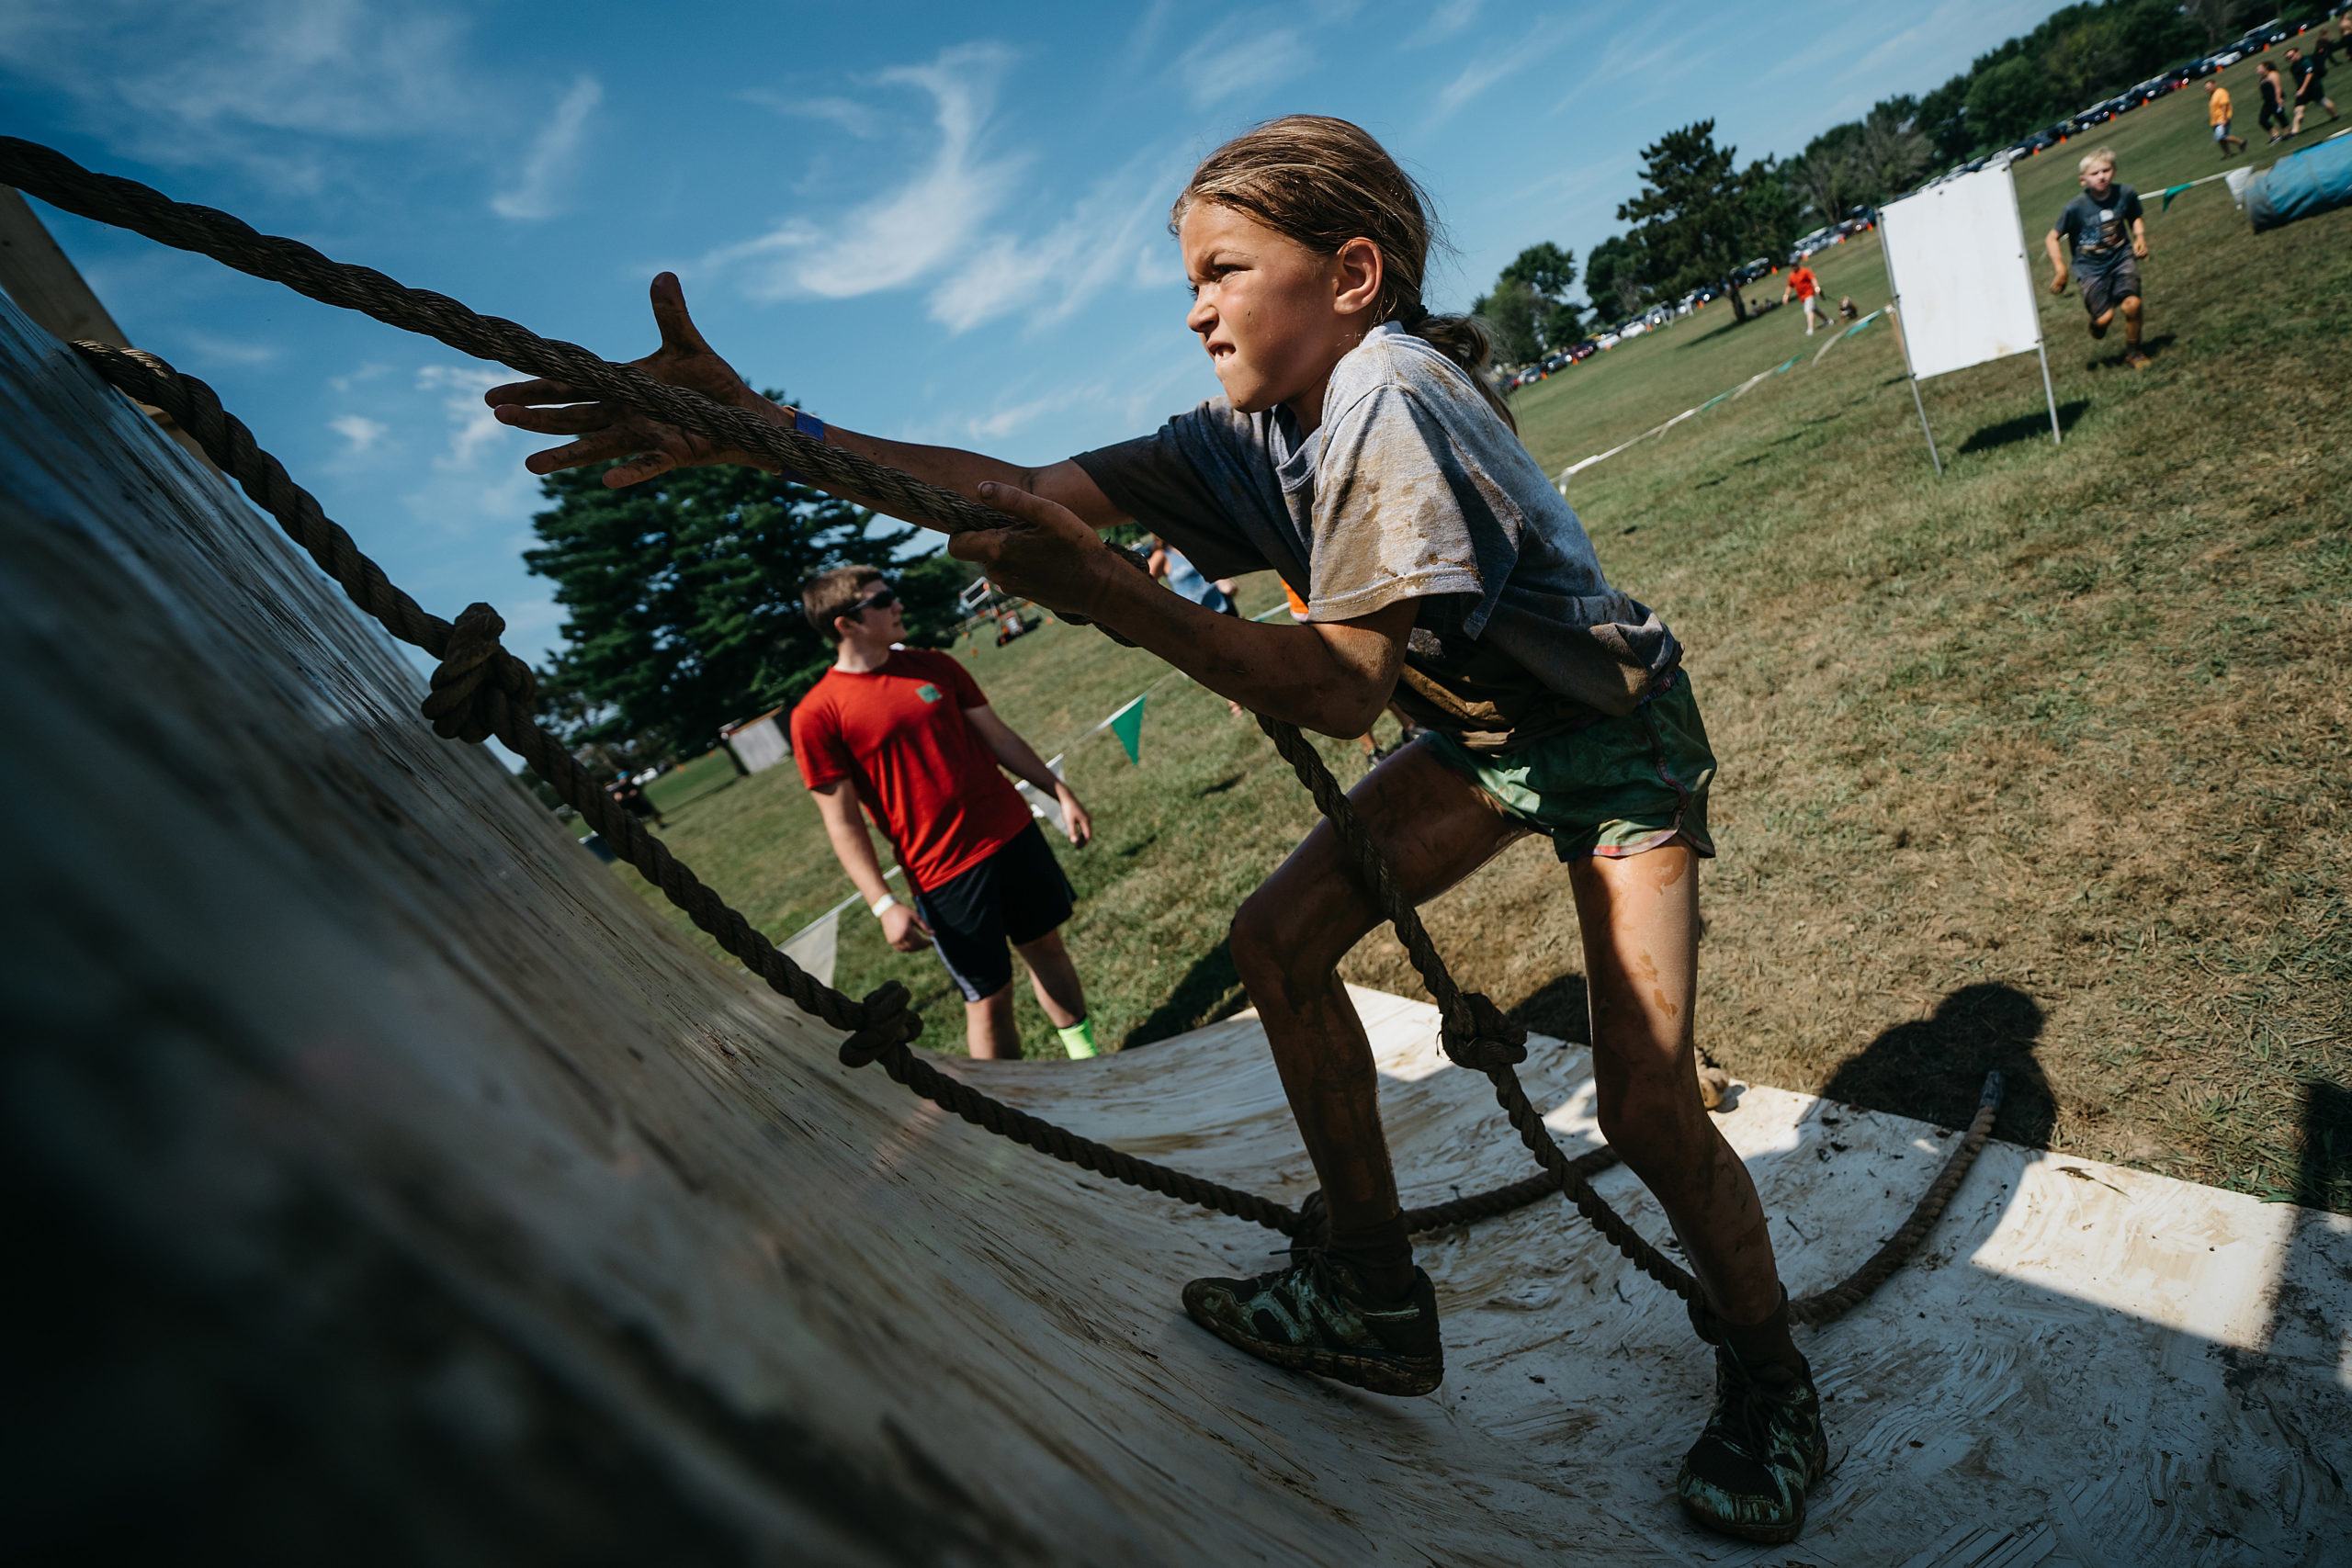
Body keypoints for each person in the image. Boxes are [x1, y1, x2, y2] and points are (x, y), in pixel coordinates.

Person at [485, 114, 1827, 1546]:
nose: (1193, 308)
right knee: (1279, 944)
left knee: (1640, 1100)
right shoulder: (1260, 430)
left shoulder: (1391, 398)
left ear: (1352, 272)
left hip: (1611, 746)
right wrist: (768, 430)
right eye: (1187, 279)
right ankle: (1373, 1291)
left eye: (1222, 270)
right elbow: (1000, 493)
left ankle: (1773, 1380)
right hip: (1490, 742)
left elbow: (1330, 691)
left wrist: (1110, 593)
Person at [787, 565, 1102, 1062]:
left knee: (1047, 948)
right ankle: (1012, 1111)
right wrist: (883, 904)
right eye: (882, 599)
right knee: (988, 996)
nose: (898, 605)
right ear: (846, 624)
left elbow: (997, 737)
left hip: (1012, 833)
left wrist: (1056, 790)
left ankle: (1089, 1059)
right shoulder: (816, 715)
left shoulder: (933, 665)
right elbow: (842, 823)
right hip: (942, 872)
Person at [2045, 146, 2150, 370]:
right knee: (2104, 319)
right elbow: (2052, 238)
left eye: (2106, 170)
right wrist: (2061, 271)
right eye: (2095, 173)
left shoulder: (2125, 194)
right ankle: (2097, 324)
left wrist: (2139, 237)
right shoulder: (2075, 208)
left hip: (2121, 258)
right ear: (2083, 180)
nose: (2102, 176)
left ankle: (2134, 353)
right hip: (2090, 269)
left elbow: (2135, 217)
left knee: (2133, 305)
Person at [2288, 45, 2338, 136]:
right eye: (2288, 58)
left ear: (2297, 53)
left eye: (2291, 56)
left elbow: (2309, 74)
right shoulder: (2292, 68)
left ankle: (2335, 116)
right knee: (2298, 109)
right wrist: (2300, 90)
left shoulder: (2305, 61)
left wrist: (2302, 89)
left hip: (2314, 87)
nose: (2290, 59)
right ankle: (2294, 132)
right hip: (2302, 91)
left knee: (2323, 102)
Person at [1781, 262, 1825, 335]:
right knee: (1814, 309)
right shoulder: (1791, 276)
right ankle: (1827, 320)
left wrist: (1817, 287)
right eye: (1792, 266)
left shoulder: (1805, 271)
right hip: (1802, 297)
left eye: (1795, 265)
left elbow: (1813, 279)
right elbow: (1789, 286)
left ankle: (1810, 328)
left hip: (1809, 294)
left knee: (1808, 310)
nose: (1794, 267)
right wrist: (1786, 296)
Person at [2206, 79, 2247, 156]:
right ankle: (2227, 154)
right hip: (2215, 121)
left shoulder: (2221, 92)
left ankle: (2241, 143)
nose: (2207, 88)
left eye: (2209, 86)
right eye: (2206, 88)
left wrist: (2224, 119)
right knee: (2220, 139)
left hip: (2222, 119)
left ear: (2214, 85)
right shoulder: (2212, 95)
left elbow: (2224, 105)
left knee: (2222, 136)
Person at [2258, 60, 2291, 143]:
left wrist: (2278, 99)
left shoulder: (2273, 75)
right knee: (2262, 119)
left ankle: (2287, 133)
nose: (2258, 71)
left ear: (2266, 67)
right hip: (2268, 102)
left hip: (2275, 99)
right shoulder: (2263, 78)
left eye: (2259, 68)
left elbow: (2278, 87)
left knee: (2280, 116)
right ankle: (2275, 135)